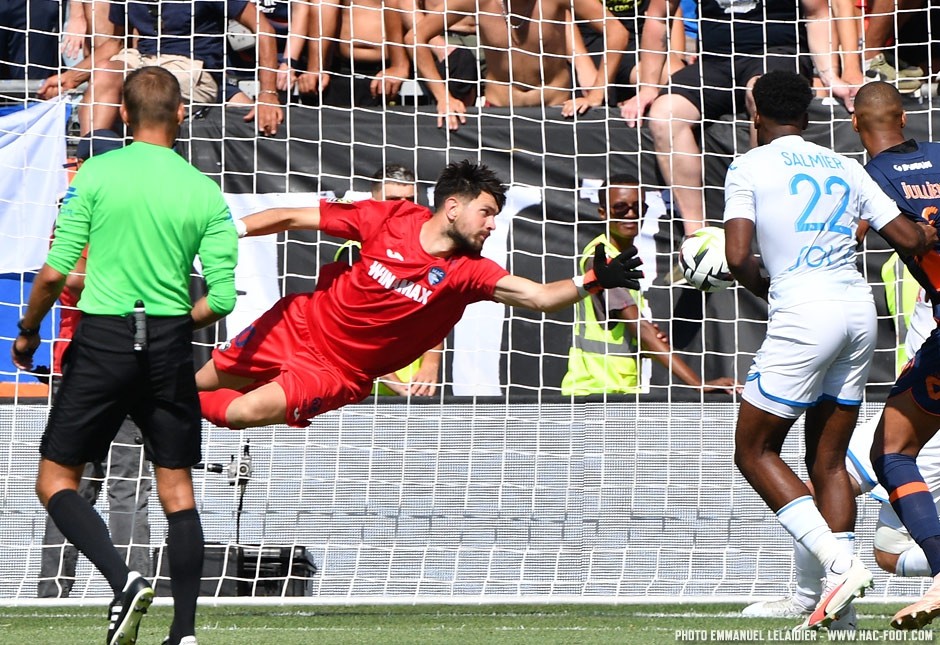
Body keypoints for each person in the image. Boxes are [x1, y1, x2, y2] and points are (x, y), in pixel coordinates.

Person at [11, 67, 238, 645]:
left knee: (55, 479)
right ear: (182, 114)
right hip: (166, 345)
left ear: (125, 116)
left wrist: (28, 330)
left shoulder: (97, 174)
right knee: (177, 491)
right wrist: (169, 325)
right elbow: (224, 298)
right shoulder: (203, 190)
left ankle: (123, 579)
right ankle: (184, 632)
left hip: (104, 338)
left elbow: (57, 272)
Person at [196, 160, 642, 429]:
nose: (491, 225)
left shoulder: (468, 272)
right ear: (452, 207)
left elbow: (540, 297)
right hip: (297, 325)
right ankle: (145, 403)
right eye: (486, 213)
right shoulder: (390, 218)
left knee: (243, 412)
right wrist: (229, 232)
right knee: (187, 385)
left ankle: (156, 413)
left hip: (338, 372)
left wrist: (592, 280)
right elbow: (291, 217)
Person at [723, 71, 935, 630]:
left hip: (805, 309)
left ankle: (839, 566)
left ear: (755, 115)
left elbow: (739, 257)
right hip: (857, 311)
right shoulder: (846, 167)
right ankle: (838, 615)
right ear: (812, 117)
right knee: (829, 460)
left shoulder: (748, 165)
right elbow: (913, 239)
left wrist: (778, 289)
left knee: (754, 452)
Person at [742, 267, 940, 627]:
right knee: (885, 552)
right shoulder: (911, 243)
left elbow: (862, 219)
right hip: (916, 402)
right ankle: (821, 601)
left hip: (927, 418)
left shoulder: (916, 230)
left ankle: (809, 598)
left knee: (827, 485)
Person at [622, 0, 860, 236]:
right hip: (715, 61)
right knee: (665, 113)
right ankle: (697, 236)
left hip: (777, 53)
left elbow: (817, 13)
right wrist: (648, 87)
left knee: (762, 94)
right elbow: (658, 15)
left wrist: (831, 77)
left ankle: (764, 222)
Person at [39, 132, 152, 600]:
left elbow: (63, 277)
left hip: (86, 357)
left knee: (70, 482)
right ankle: (130, 588)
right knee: (123, 484)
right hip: (128, 353)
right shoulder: (140, 208)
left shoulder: (76, 204)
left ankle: (55, 593)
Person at [851, 80, 940, 630]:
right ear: (904, 118)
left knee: (892, 452)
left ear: (858, 126)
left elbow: (843, 239)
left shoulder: (866, 180)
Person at [561, 176, 739, 396]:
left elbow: (624, 331)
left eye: (638, 207)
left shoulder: (620, 259)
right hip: (594, 390)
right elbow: (639, 327)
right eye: (620, 208)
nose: (631, 214)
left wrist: (643, 345)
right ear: (602, 213)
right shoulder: (602, 259)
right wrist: (698, 383)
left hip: (616, 389)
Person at [37, 0, 283, 137]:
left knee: (150, 86)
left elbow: (264, 29)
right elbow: (113, 44)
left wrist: (268, 94)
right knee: (106, 72)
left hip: (193, 69)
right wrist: (72, 76)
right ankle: (92, 161)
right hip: (142, 59)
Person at [409, 0, 627, 131]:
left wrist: (596, 94)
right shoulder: (479, 2)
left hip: (558, 112)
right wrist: (443, 96)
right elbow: (415, 37)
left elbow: (617, 31)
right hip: (499, 112)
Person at [336, 164, 445, 396]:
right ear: (374, 201)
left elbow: (435, 313)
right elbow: (351, 325)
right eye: (394, 199)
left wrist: (430, 364)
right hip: (359, 387)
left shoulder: (427, 250)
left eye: (410, 199)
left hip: (412, 388)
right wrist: (393, 383)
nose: (403, 207)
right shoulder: (354, 251)